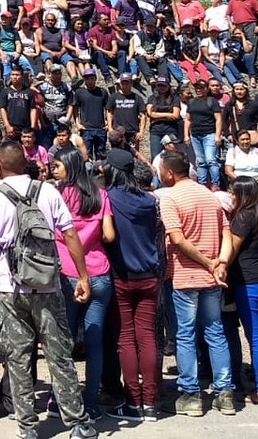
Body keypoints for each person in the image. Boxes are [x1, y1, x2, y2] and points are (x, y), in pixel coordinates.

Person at [0, 141, 98, 439]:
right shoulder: (48, 190)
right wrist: (82, 276)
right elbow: (69, 234)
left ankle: (27, 426)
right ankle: (78, 423)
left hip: (9, 288)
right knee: (59, 354)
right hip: (48, 285)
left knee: (17, 357)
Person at [156, 149, 234, 417]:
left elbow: (177, 239)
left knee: (185, 335)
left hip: (185, 275)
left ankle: (190, 393)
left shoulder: (170, 198)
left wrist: (207, 262)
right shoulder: (209, 196)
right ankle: (225, 393)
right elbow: (227, 232)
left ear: (168, 172)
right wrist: (220, 262)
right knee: (215, 332)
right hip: (213, 276)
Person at [50, 146, 114, 421]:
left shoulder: (59, 196)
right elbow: (109, 235)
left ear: (69, 166)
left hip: (67, 273)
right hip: (99, 271)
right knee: (94, 341)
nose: (53, 170)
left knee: (62, 341)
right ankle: (90, 404)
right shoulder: (101, 195)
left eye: (57, 166)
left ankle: (59, 400)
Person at [102, 149, 160, 422]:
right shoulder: (149, 201)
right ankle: (150, 402)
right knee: (146, 337)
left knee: (125, 338)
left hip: (121, 274)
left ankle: (133, 401)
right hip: (149, 273)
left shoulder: (109, 199)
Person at [223, 176, 258, 405]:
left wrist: (220, 265)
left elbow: (232, 250)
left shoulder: (243, 217)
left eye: (233, 193)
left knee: (255, 337)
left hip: (249, 282)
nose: (231, 197)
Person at [184, 80, 223, 189]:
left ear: (206, 89)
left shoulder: (212, 101)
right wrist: (186, 135)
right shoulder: (191, 102)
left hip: (209, 133)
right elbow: (187, 119)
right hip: (195, 134)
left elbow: (218, 119)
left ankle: (215, 184)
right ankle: (202, 184)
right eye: (197, 88)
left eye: (201, 88)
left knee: (211, 160)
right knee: (200, 161)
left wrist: (217, 135)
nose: (198, 90)